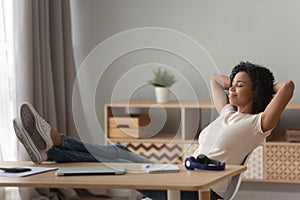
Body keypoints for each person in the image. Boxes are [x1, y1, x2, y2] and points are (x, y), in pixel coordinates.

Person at [13, 61, 294, 200]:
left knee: (121, 162)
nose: (231, 87)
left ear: (255, 92)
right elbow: (213, 80)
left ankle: (54, 143)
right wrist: (240, 79)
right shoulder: (227, 113)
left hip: (199, 192)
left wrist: (262, 85)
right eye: (232, 84)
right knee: (121, 152)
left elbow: (288, 87)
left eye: (239, 85)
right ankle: (53, 145)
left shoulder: (258, 125)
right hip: (181, 177)